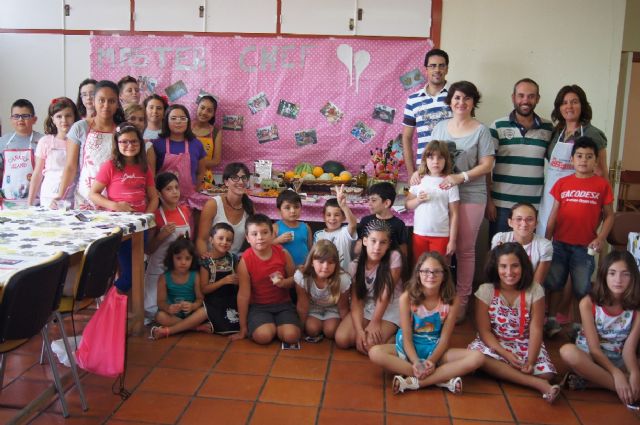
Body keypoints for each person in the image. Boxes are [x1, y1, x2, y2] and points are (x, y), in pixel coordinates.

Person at [368, 252, 484, 394]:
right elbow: (407, 337)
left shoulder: (452, 300)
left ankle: (413, 382)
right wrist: (417, 362)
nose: (431, 275)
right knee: (375, 352)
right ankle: (441, 379)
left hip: (435, 349)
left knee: (477, 357)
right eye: (426, 271)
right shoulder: (407, 298)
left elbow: (445, 339)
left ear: (444, 275)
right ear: (418, 273)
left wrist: (432, 361)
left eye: (437, 272)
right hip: (408, 348)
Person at [430, 80, 495, 322]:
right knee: (443, 249)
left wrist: (462, 176)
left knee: (465, 249)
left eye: (467, 98)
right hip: (442, 195)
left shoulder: (481, 131)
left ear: (473, 103)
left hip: (471, 195)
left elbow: (487, 164)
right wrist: (419, 173)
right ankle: (441, 297)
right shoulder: (439, 128)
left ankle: (462, 301)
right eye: (457, 98)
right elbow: (430, 157)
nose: (461, 102)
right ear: (450, 101)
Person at [469, 243, 560, 403]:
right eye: (503, 266)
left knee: (548, 374)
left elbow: (536, 329)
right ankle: (536, 384)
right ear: (495, 268)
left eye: (515, 266)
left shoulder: (535, 290)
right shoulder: (485, 290)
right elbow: (484, 332)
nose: (509, 272)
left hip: (525, 343)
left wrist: (531, 361)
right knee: (478, 358)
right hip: (494, 344)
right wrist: (506, 355)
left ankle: (503, 373)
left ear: (523, 267)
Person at [544, 136, 614, 338]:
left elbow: (609, 216)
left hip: (585, 247)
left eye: (589, 157)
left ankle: (577, 324)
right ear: (572, 159)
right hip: (559, 243)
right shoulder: (562, 183)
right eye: (580, 156)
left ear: (595, 161)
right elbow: (554, 214)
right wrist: (546, 238)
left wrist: (600, 237)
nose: (584, 160)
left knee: (581, 287)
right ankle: (551, 320)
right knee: (555, 283)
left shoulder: (602, 185)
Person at [559, 251, 640, 410]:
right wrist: (616, 374)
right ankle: (621, 388)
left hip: (619, 357)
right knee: (567, 352)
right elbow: (595, 349)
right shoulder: (588, 303)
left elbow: (629, 349)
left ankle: (592, 382)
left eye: (625, 274)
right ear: (604, 275)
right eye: (612, 273)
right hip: (590, 358)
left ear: (633, 278)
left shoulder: (637, 307)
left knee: (636, 370)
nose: (618, 280)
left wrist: (635, 373)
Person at [89, 123, 158, 292]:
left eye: (134, 142)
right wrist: (115, 205)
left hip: (140, 227)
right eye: (124, 142)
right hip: (118, 227)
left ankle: (121, 305)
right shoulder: (110, 166)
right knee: (127, 274)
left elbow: (154, 197)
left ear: (140, 144)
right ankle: (110, 304)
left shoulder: (144, 168)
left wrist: (146, 218)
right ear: (117, 143)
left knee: (135, 272)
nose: (129, 146)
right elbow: (93, 194)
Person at [537, 85, 608, 236]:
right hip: (551, 198)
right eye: (564, 102)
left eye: (574, 102)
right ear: (559, 108)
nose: (569, 106)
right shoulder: (556, 133)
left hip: (578, 200)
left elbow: (602, 173)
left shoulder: (593, 134)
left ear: (582, 105)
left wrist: (600, 209)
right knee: (546, 242)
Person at [486, 78, 553, 238]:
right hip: (501, 206)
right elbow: (486, 167)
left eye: (531, 96)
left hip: (534, 206)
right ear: (513, 97)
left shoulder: (549, 128)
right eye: (521, 95)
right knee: (498, 255)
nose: (525, 100)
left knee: (529, 257)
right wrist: (489, 201)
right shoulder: (497, 126)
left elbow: (555, 165)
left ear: (537, 99)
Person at [230, 214, 301, 345]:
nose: (260, 238)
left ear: (272, 234)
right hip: (259, 307)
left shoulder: (283, 253)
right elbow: (243, 295)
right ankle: (270, 326)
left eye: (264, 232)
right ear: (247, 238)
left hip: (283, 305)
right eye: (254, 234)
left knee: (291, 336)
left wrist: (284, 283)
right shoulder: (245, 261)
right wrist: (243, 328)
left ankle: (279, 326)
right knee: (263, 336)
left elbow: (295, 280)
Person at [335, 219, 403, 354]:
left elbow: (386, 295)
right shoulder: (354, 265)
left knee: (370, 346)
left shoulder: (394, 257)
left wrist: (375, 322)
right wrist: (360, 330)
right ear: (365, 241)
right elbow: (356, 301)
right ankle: (374, 336)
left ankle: (397, 338)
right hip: (368, 304)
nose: (377, 247)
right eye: (373, 241)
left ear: (389, 244)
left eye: (383, 242)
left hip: (389, 305)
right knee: (342, 339)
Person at [55, 80, 125, 210]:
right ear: (93, 101)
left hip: (114, 198)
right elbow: (70, 166)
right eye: (101, 100)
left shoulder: (122, 130)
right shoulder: (80, 128)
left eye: (111, 101)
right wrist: (60, 195)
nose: (106, 105)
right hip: (85, 197)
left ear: (117, 104)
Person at [144, 172, 191, 322]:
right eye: (169, 189)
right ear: (159, 193)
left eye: (176, 187)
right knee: (153, 312)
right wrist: (161, 236)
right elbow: (148, 249)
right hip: (158, 271)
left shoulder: (184, 211)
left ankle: (184, 323)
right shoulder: (155, 216)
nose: (175, 192)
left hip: (177, 271)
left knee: (179, 309)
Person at [401, 48, 452, 179]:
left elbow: (467, 128)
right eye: (433, 66)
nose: (437, 70)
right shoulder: (413, 99)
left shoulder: (456, 96)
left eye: (442, 65)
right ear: (426, 69)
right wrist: (411, 173)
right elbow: (406, 138)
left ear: (447, 69)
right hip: (423, 169)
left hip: (451, 168)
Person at [405, 140, 459, 262]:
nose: (435, 161)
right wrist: (418, 200)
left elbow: (455, 214)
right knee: (419, 268)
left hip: (441, 235)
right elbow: (407, 204)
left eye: (440, 157)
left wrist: (452, 240)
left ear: (446, 160)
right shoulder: (418, 180)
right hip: (419, 233)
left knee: (439, 269)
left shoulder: (450, 183)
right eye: (431, 157)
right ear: (425, 160)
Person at [150, 237, 212, 339]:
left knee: (204, 311)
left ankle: (173, 329)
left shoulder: (195, 276)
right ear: (171, 258)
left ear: (192, 259)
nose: (183, 262)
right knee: (159, 316)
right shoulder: (164, 278)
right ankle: (194, 327)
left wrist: (192, 306)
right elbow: (160, 302)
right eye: (178, 258)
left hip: (192, 314)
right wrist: (168, 308)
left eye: (187, 258)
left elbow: (200, 299)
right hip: (174, 316)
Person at [152, 104, 207, 210]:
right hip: (163, 202)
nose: (178, 122)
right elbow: (152, 173)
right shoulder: (157, 144)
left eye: (182, 118)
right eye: (173, 118)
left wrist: (195, 189)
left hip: (189, 200)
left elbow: (201, 172)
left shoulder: (196, 144)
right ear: (166, 121)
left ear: (188, 121)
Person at [28, 97, 80, 207]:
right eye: (59, 116)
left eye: (68, 115)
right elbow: (37, 174)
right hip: (49, 196)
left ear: (74, 117)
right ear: (52, 119)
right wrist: (29, 204)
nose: (64, 120)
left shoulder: (81, 142)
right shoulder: (45, 142)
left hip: (74, 196)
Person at [295, 240, 351, 341]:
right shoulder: (302, 277)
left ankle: (326, 329)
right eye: (321, 262)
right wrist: (301, 330)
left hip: (333, 309)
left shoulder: (343, 279)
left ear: (336, 264)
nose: (325, 267)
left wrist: (346, 329)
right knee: (312, 330)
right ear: (312, 262)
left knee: (330, 331)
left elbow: (343, 307)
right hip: (313, 308)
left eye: (330, 262)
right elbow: (302, 306)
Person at [197, 162, 254, 256]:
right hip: (211, 260)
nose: (240, 182)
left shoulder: (249, 207)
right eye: (235, 178)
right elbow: (201, 240)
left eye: (244, 178)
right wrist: (208, 262)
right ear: (226, 182)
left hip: (234, 261)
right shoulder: (213, 205)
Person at [491, 203, 552, 286]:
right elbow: (494, 274)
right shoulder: (500, 238)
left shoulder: (544, 246)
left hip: (530, 292)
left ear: (536, 223)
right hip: (503, 288)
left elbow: (536, 286)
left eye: (529, 219)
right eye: (518, 219)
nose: (524, 224)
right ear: (510, 222)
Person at [0, 99, 43, 205]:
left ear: (34, 119)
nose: (20, 119)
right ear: (11, 119)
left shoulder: (43, 141)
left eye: (25, 116)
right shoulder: (3, 141)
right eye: (16, 116)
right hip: (8, 201)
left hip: (37, 199)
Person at [199, 222, 240, 334]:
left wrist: (238, 281)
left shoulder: (234, 259)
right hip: (212, 301)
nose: (224, 242)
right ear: (211, 240)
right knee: (202, 313)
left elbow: (240, 281)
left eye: (228, 240)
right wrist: (223, 281)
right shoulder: (206, 261)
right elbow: (204, 289)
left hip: (231, 300)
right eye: (220, 238)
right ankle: (170, 330)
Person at [355, 182, 408, 258]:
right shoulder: (365, 221)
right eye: (369, 200)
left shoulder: (399, 224)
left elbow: (403, 253)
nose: (369, 203)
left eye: (373, 200)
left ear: (386, 203)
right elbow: (357, 250)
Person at [313, 185, 357, 271]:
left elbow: (353, 224)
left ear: (343, 218)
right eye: (328, 215)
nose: (332, 218)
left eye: (336, 215)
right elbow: (315, 256)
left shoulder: (345, 232)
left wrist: (344, 206)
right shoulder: (318, 235)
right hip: (325, 273)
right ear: (324, 217)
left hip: (343, 274)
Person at [273, 190, 312, 267]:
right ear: (279, 211)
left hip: (303, 268)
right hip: (283, 268)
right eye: (287, 207)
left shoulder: (306, 227)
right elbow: (266, 247)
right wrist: (278, 240)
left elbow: (310, 249)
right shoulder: (275, 228)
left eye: (296, 207)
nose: (293, 211)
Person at [124, 103, 156, 177]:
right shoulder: (118, 143)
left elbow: (151, 178)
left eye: (141, 120)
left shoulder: (148, 146)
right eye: (132, 118)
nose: (137, 122)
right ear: (124, 120)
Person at [192, 95, 222, 171]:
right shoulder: (186, 127)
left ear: (213, 114)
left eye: (209, 110)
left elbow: (216, 161)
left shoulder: (216, 132)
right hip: (184, 175)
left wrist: (194, 163)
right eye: (202, 108)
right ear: (197, 108)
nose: (204, 112)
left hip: (205, 178)